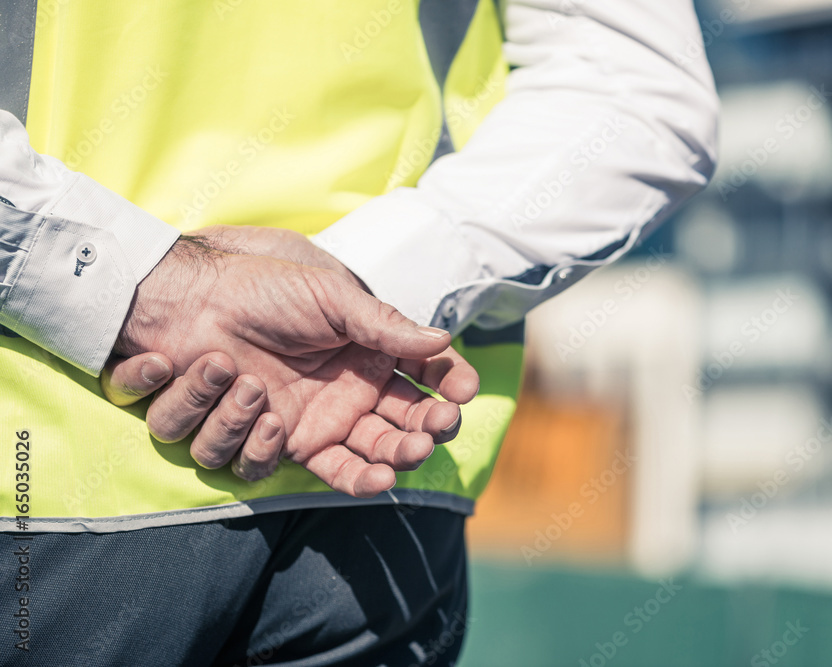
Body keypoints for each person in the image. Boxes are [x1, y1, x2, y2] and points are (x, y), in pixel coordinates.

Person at [0, 0, 717, 664]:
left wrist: (157, 286)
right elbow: (635, 90)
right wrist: (369, 283)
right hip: (378, 488)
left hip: (56, 482)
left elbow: (637, 92)